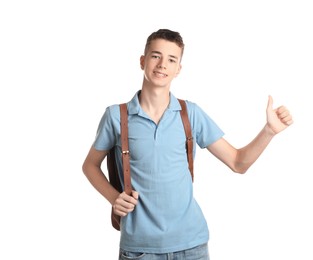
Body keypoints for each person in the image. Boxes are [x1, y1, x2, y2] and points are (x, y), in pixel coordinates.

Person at [82, 29, 293, 260]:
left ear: (178, 69)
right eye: (155, 56)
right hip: (139, 248)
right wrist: (114, 198)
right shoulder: (116, 116)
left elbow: (238, 163)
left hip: (192, 247)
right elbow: (90, 165)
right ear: (143, 60)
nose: (162, 64)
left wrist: (269, 131)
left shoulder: (190, 114)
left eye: (171, 59)